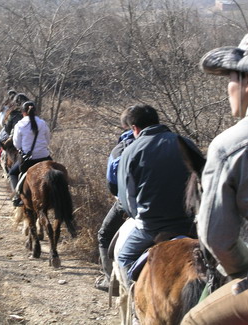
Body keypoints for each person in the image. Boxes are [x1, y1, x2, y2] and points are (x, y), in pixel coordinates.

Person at [181, 35, 248, 325]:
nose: (229, 87)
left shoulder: (231, 145)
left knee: (193, 321)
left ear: (246, 81)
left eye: (231, 77)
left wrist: (241, 270)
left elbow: (218, 238)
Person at [116, 104, 200, 287]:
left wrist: (136, 216)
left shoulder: (131, 151)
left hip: (151, 226)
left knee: (124, 257)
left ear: (134, 128)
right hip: (188, 224)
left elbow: (126, 196)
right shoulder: (187, 143)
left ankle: (135, 307)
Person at [95, 108, 135, 292]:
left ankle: (110, 280)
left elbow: (112, 182)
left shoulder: (122, 148)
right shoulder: (177, 142)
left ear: (126, 126)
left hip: (132, 204)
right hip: (180, 207)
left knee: (104, 235)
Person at [9, 101, 51, 207]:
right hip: (44, 157)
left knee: (13, 173)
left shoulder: (20, 125)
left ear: (23, 113)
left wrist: (21, 149)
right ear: (36, 111)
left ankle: (17, 197)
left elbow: (16, 144)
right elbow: (47, 140)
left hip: (29, 159)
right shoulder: (42, 123)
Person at [0, 89, 17, 167]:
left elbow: (2, 122)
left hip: (9, 129)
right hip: (14, 129)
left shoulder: (5, 108)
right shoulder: (20, 107)